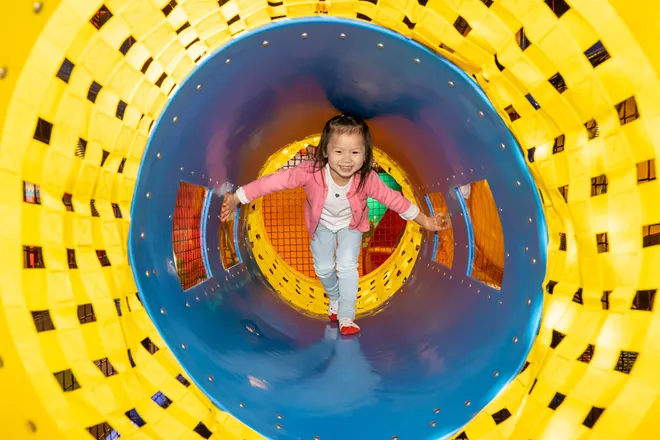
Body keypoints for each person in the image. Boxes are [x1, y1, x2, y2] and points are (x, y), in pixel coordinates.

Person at [220, 114, 449, 335]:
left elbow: (396, 200)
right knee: (324, 268)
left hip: (352, 226)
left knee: (347, 265)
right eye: (339, 151)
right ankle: (335, 298)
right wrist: (238, 197)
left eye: (355, 152)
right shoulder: (311, 172)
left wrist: (426, 221)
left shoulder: (367, 179)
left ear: (365, 155)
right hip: (321, 224)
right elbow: (275, 181)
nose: (347, 159)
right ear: (325, 151)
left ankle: (346, 316)